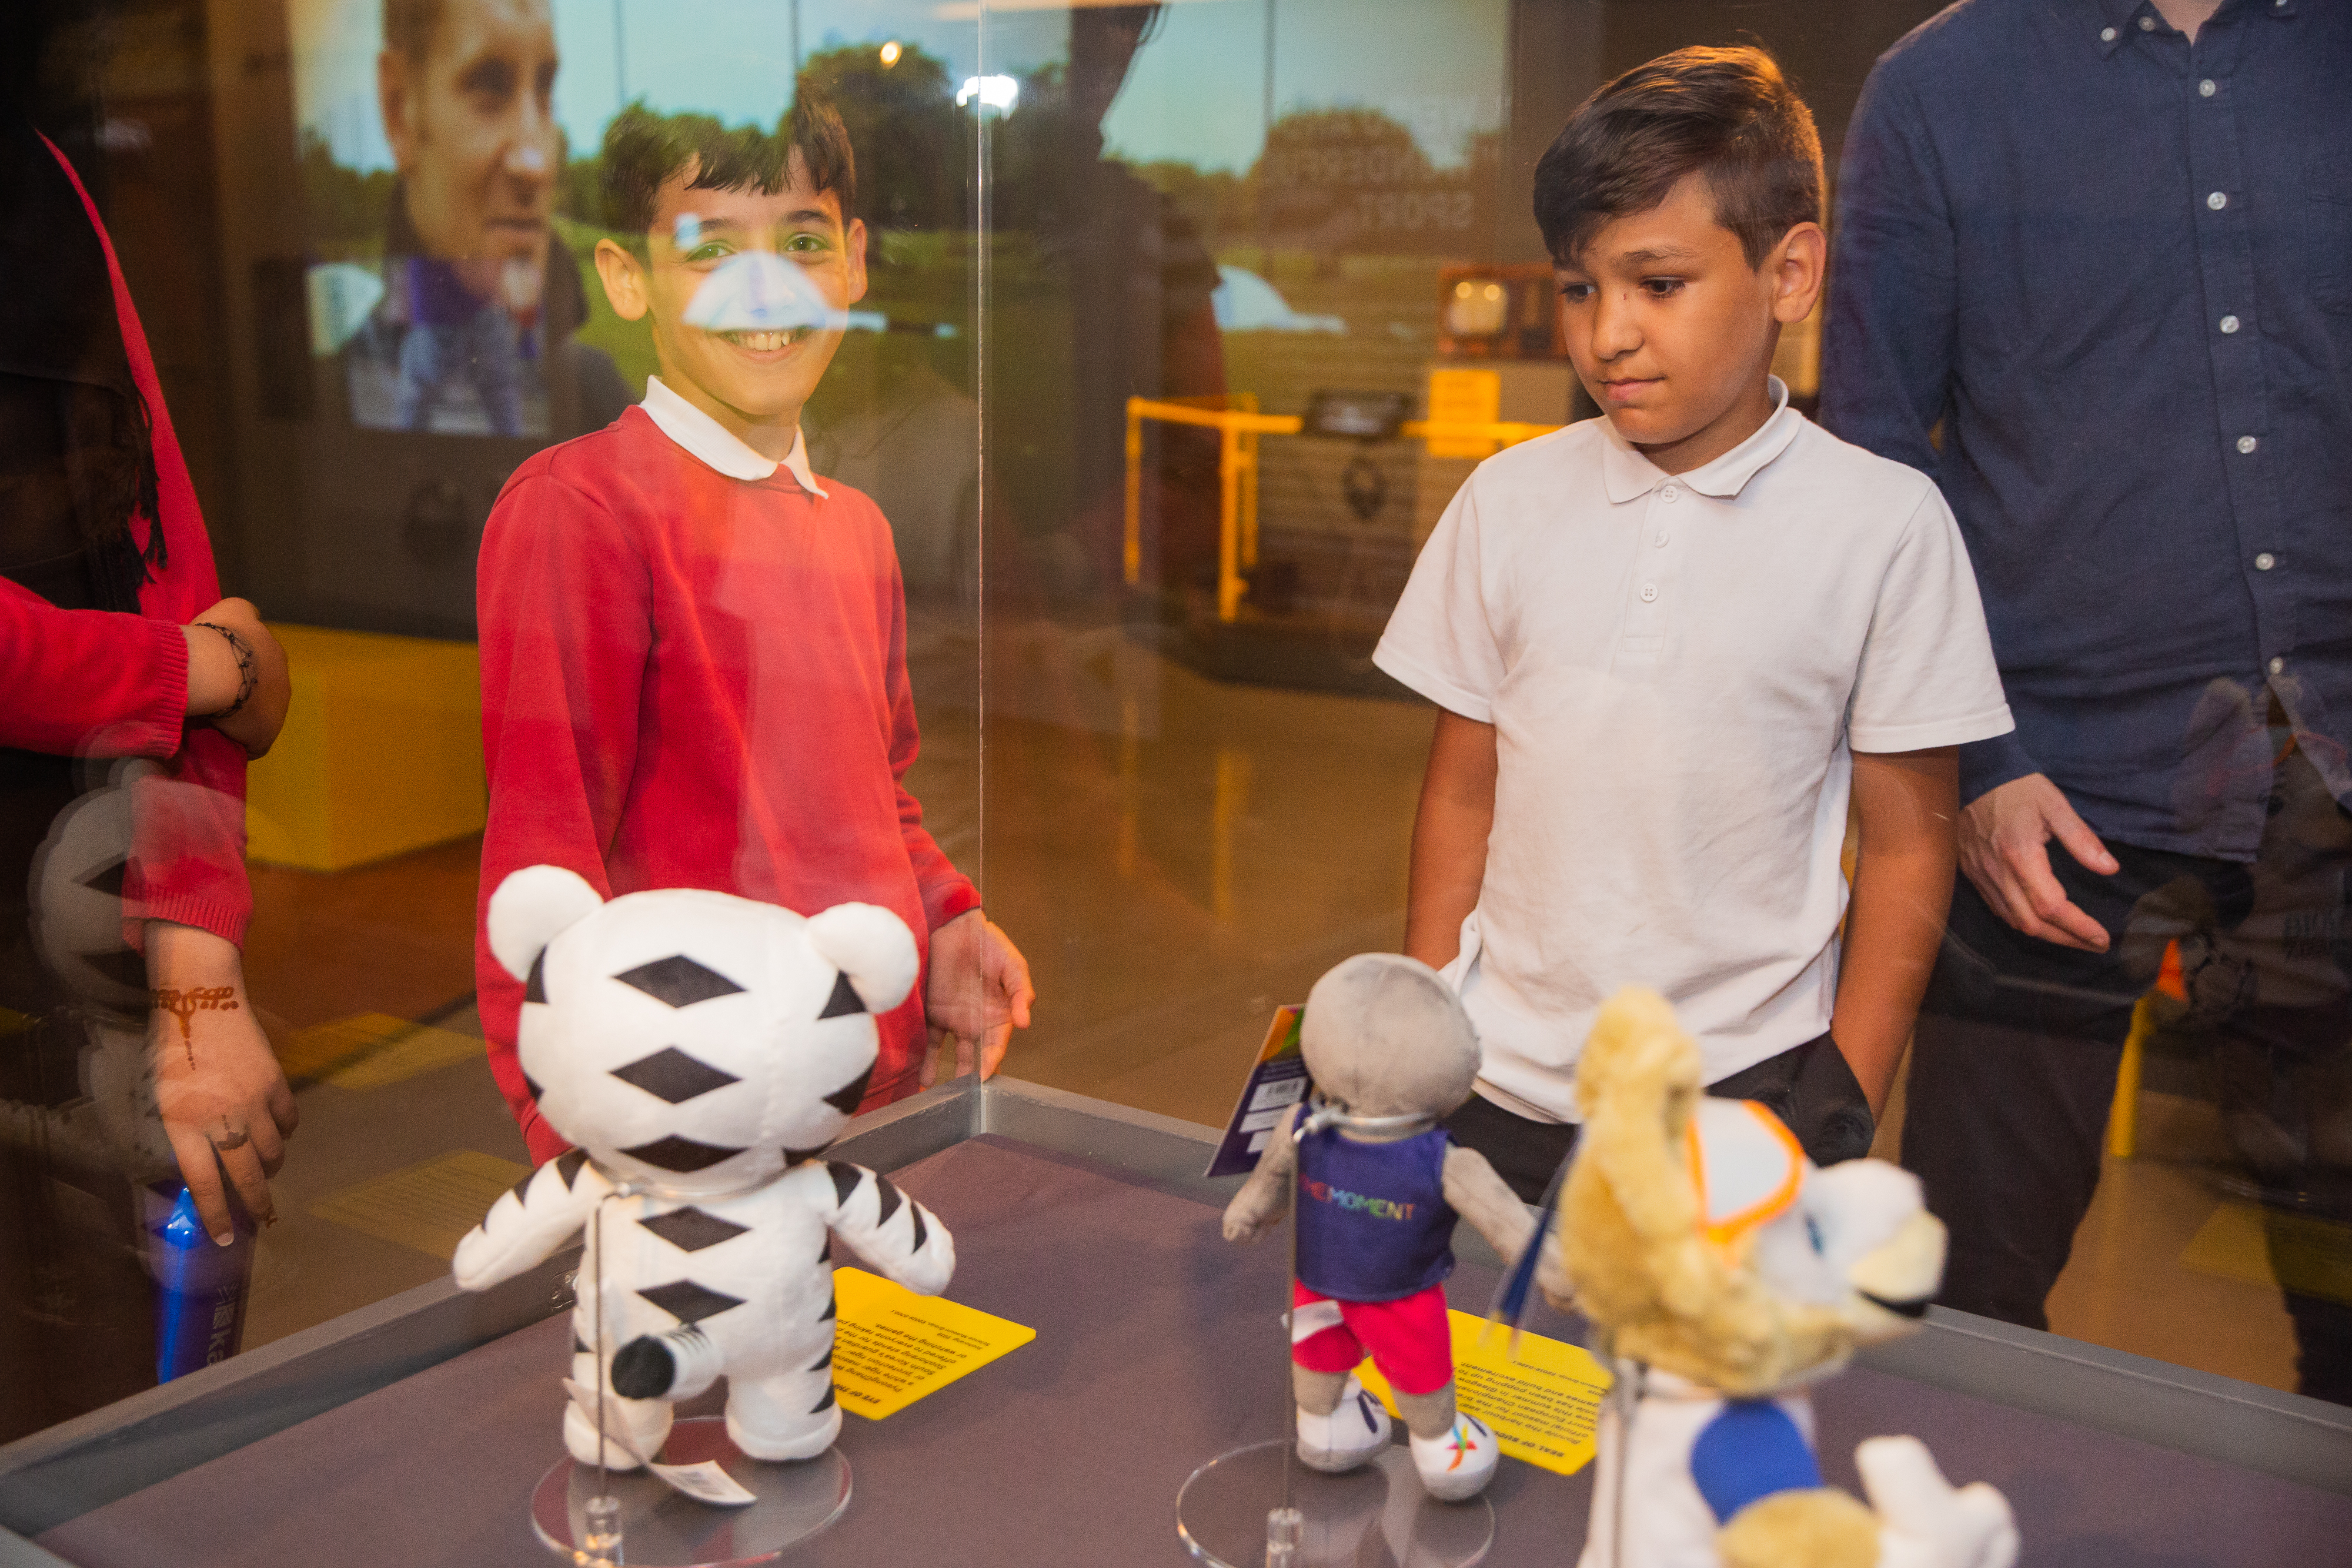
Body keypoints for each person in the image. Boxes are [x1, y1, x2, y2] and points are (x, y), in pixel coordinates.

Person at [1820, 0, 2352, 1399]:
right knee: (1968, 1295)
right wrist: (1975, 761)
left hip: (2332, 780)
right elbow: (1872, 452)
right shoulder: (1939, 88)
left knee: (2346, 1288)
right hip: (2043, 795)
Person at [1377, 46, 2013, 1203]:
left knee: (1683, 1387)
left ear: (1790, 272)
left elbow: (1909, 844)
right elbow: (1461, 789)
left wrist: (1837, 1107)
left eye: (1655, 283)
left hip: (1732, 1107)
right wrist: (1420, 1025)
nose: (1606, 333)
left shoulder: (1882, 526)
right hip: (1496, 1089)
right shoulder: (1504, 501)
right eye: (1579, 287)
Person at [474, 95, 1033, 1166]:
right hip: (691, 1145)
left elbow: (876, 796)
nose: (765, 286)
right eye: (710, 248)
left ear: (855, 263)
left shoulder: (857, 531)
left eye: (803, 241)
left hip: (875, 1101)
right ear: (628, 277)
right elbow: (540, 871)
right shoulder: (582, 510)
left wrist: (944, 917)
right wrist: (585, 1158)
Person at [1, 109, 295, 1439]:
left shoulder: (44, 174)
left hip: (61, 991)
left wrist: (196, 980)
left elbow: (165, 555)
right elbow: (204, 652)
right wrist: (191, 673)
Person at [345, 0, 629, 438]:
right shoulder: (343, 394)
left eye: (545, 93)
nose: (537, 162)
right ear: (399, 108)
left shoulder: (595, 397)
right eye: (490, 90)